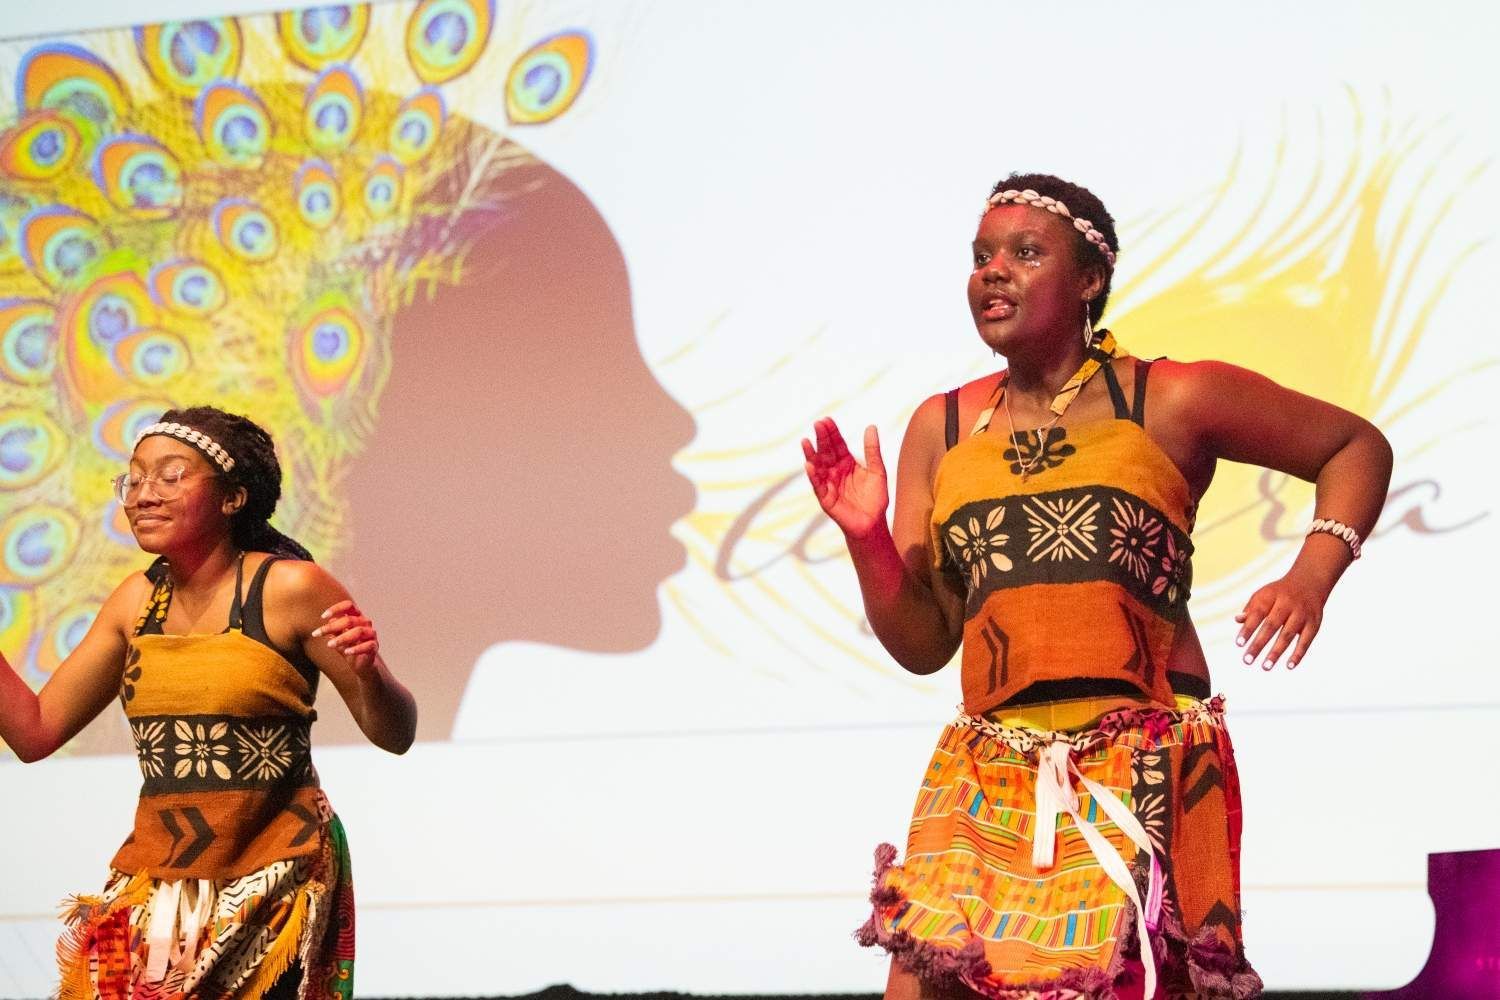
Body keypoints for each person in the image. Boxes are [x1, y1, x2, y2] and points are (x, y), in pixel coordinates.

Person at [803, 174, 1392, 998]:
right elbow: (925, 645)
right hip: (985, 769)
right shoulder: (939, 429)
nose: (993, 272)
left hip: (1138, 761)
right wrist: (866, 537)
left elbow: (1353, 447)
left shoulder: (1170, 398)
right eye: (980, 257)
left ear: (1089, 281)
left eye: (1024, 253)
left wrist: (1313, 574)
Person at [0, 406, 416, 999]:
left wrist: (370, 673)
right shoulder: (135, 602)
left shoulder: (291, 587)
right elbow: (34, 732)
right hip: (160, 880)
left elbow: (395, 733)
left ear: (233, 498)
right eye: (135, 478)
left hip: (273, 878)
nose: (144, 494)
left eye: (170, 476)